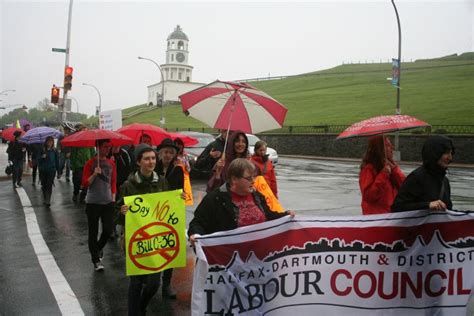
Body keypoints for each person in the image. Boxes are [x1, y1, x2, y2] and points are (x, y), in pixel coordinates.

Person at [118, 144, 169, 316]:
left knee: (154, 283)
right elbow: (118, 212)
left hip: (157, 239)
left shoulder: (162, 182)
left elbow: (168, 207)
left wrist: (179, 199)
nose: (151, 162)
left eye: (153, 158)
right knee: (136, 282)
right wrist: (122, 211)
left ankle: (141, 305)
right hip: (136, 239)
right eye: (146, 159)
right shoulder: (128, 185)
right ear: (138, 162)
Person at [189, 158, 295, 241]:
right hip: (228, 259)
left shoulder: (257, 196)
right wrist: (195, 235)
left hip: (257, 257)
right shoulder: (214, 199)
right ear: (234, 179)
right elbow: (197, 223)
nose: (253, 181)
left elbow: (269, 215)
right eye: (249, 178)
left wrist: (285, 215)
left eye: (254, 177)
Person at [391, 135, 455, 212]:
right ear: (435, 153)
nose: (450, 158)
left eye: (451, 153)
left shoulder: (445, 181)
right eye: (446, 153)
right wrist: (428, 205)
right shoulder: (416, 178)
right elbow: (398, 207)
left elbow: (449, 211)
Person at [154, 138, 184, 299]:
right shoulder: (152, 167)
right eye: (165, 152)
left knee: (170, 249)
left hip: (171, 215)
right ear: (160, 153)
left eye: (171, 152)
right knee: (154, 247)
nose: (167, 155)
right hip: (153, 215)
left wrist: (182, 196)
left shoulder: (178, 170)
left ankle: (167, 283)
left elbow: (180, 192)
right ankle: (152, 280)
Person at [81, 139, 116, 271]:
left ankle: (98, 248)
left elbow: (113, 182)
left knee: (108, 230)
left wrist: (113, 197)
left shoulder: (111, 163)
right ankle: (96, 260)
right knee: (93, 232)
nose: (108, 149)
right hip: (93, 203)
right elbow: (85, 183)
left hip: (107, 202)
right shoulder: (90, 163)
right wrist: (95, 174)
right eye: (105, 147)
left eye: (109, 146)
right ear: (98, 147)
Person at [359, 135, 405, 215]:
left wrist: (394, 169)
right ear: (379, 149)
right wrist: (383, 175)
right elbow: (369, 196)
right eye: (387, 145)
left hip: (391, 215)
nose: (392, 148)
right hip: (377, 219)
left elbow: (404, 187)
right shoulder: (369, 169)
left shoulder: (390, 166)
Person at [71, 124, 95, 202]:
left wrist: (93, 162)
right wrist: (73, 166)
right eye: (83, 130)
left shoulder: (90, 140)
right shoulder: (76, 141)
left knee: (86, 182)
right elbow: (73, 155)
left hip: (87, 165)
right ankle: (75, 193)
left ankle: (83, 197)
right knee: (77, 180)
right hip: (78, 165)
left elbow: (92, 152)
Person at [38, 136, 60, 207]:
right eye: (48, 141)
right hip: (43, 170)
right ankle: (45, 197)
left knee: (49, 184)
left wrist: (58, 170)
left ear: (53, 142)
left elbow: (57, 161)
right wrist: (42, 157)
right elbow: (38, 160)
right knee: (44, 185)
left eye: (51, 141)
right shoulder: (42, 149)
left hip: (51, 170)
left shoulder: (54, 150)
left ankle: (48, 200)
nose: (50, 143)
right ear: (46, 142)